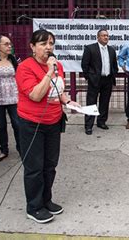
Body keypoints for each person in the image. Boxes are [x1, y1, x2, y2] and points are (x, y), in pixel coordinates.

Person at [15, 29, 81, 224]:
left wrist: (68, 101)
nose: (48, 47)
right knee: (34, 167)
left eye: (51, 43)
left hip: (54, 121)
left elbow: (59, 91)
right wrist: (49, 72)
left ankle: (46, 199)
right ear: (33, 47)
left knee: (50, 165)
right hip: (32, 123)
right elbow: (35, 95)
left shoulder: (58, 65)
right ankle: (34, 207)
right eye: (43, 43)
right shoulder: (25, 68)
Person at [81, 28, 118, 134]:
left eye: (107, 35)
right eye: (103, 35)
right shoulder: (90, 48)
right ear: (98, 37)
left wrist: (113, 74)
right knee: (91, 103)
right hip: (95, 80)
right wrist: (89, 77)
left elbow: (114, 65)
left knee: (104, 102)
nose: (106, 37)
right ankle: (88, 126)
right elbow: (85, 65)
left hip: (107, 80)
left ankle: (101, 122)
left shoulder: (111, 50)